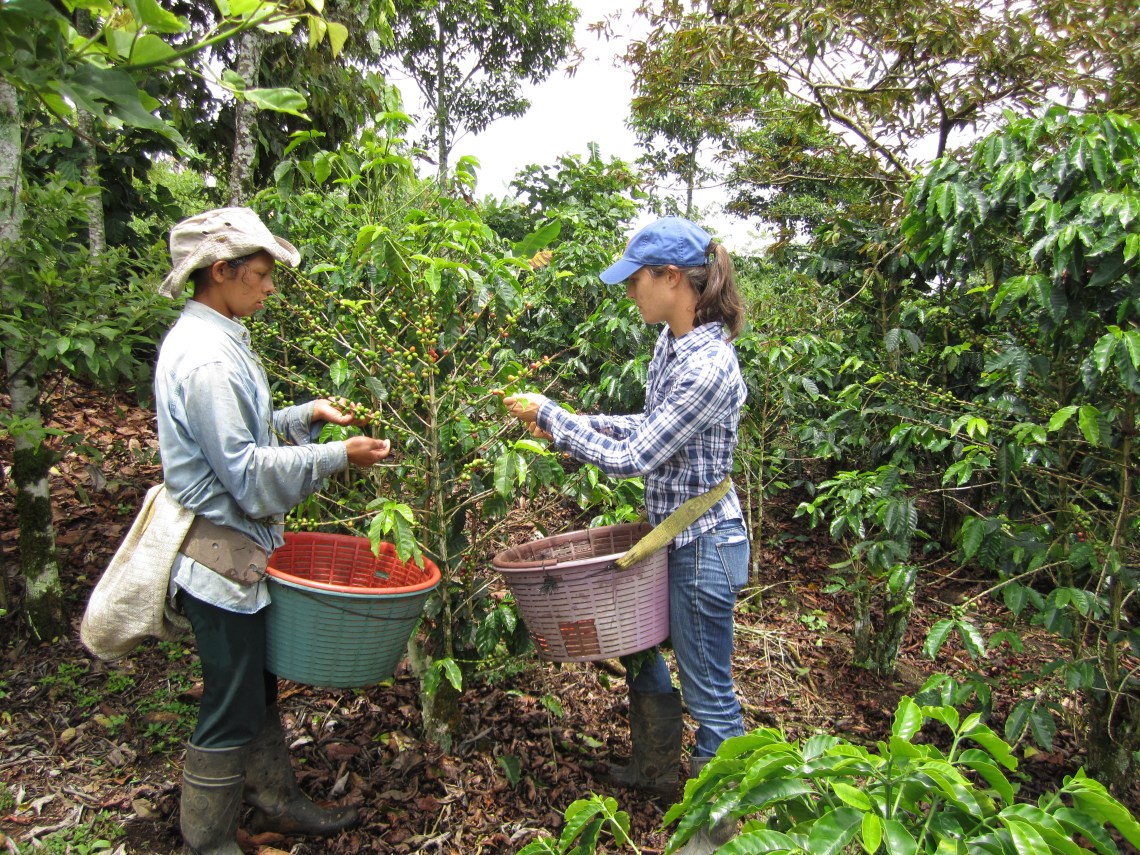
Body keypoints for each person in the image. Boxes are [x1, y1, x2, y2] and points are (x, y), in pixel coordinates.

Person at [502, 216, 749, 854]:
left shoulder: (710, 365)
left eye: (637, 279)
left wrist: (554, 417)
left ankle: (714, 834)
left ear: (672, 278)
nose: (631, 291)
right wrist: (574, 422)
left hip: (704, 544)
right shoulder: (673, 342)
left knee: (709, 693)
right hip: (669, 537)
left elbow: (637, 454)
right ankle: (656, 767)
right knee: (639, 647)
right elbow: (649, 423)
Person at [154, 207, 392, 854]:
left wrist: (305, 414)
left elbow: (242, 436)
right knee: (230, 703)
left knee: (253, 689)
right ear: (220, 271)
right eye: (259, 275)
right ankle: (208, 840)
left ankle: (275, 800)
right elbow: (247, 475)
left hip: (237, 553)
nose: (269, 287)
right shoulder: (206, 359)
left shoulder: (220, 338)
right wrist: (338, 456)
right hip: (218, 560)